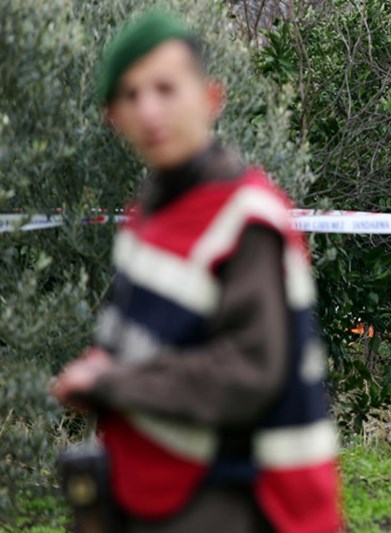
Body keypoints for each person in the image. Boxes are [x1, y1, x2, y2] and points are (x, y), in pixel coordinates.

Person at [50, 11, 341, 532]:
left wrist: (113, 383)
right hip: (162, 490)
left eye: (165, 88)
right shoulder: (149, 215)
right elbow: (146, 338)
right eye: (130, 96)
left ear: (211, 97)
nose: (149, 110)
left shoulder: (246, 218)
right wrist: (99, 368)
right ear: (113, 116)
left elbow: (250, 372)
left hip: (247, 501)